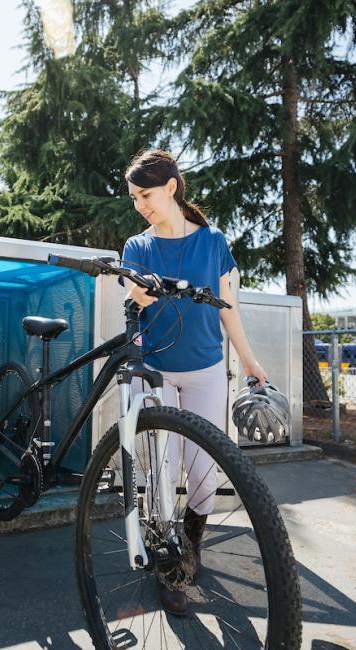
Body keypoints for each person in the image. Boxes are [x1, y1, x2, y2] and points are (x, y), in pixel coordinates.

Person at [120, 148, 268, 615]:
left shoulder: (215, 243)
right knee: (161, 471)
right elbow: (135, 299)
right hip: (156, 371)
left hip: (205, 370)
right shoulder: (137, 246)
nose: (139, 204)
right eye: (133, 197)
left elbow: (230, 311)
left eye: (144, 194)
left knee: (204, 471)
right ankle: (169, 566)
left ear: (171, 187)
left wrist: (250, 362)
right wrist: (139, 292)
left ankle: (191, 543)